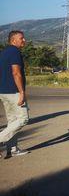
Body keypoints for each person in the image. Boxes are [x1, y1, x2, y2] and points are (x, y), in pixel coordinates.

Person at [0, 30, 30, 158]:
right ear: (13, 40)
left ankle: (12, 149)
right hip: (14, 91)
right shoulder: (15, 52)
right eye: (21, 38)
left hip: (3, 91)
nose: (24, 40)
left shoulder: (4, 52)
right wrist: (21, 92)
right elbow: (16, 73)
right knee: (23, 119)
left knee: (12, 121)